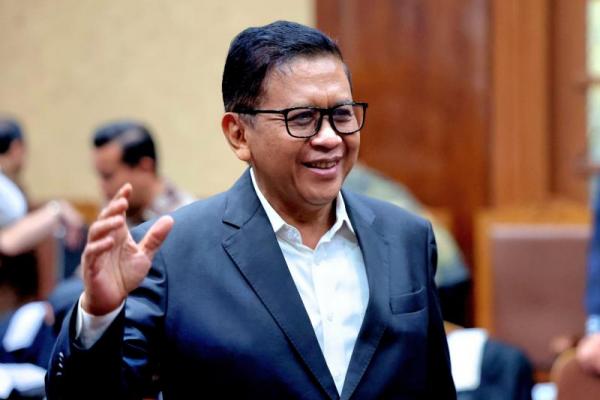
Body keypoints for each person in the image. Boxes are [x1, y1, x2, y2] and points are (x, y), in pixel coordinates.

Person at [46, 21, 456, 399]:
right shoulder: (170, 253)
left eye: (342, 114)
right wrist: (99, 316)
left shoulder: (406, 237)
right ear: (239, 134)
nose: (330, 137)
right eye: (303, 118)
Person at [91, 120, 195, 227]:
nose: (100, 185)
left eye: (107, 176)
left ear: (144, 167)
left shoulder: (185, 220)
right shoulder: (114, 210)